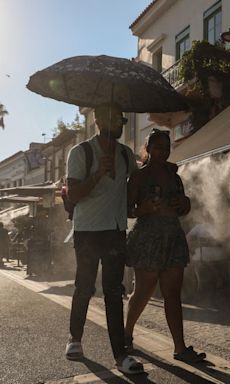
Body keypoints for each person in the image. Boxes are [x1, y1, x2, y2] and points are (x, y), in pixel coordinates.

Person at [65, 103, 144, 374]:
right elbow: (73, 195)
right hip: (87, 230)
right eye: (112, 119)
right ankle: (75, 338)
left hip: (115, 230)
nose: (119, 124)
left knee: (113, 291)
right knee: (84, 286)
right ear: (97, 121)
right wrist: (98, 173)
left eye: (121, 119)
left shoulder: (125, 154)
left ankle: (121, 355)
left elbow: (135, 189)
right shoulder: (81, 152)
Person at [124, 128, 206, 363]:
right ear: (147, 149)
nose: (163, 152)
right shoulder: (138, 177)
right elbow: (125, 210)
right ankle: (127, 333)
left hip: (172, 236)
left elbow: (184, 209)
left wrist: (185, 203)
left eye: (167, 147)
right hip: (147, 238)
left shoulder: (174, 177)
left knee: (172, 294)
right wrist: (143, 210)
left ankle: (180, 348)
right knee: (143, 292)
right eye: (158, 147)